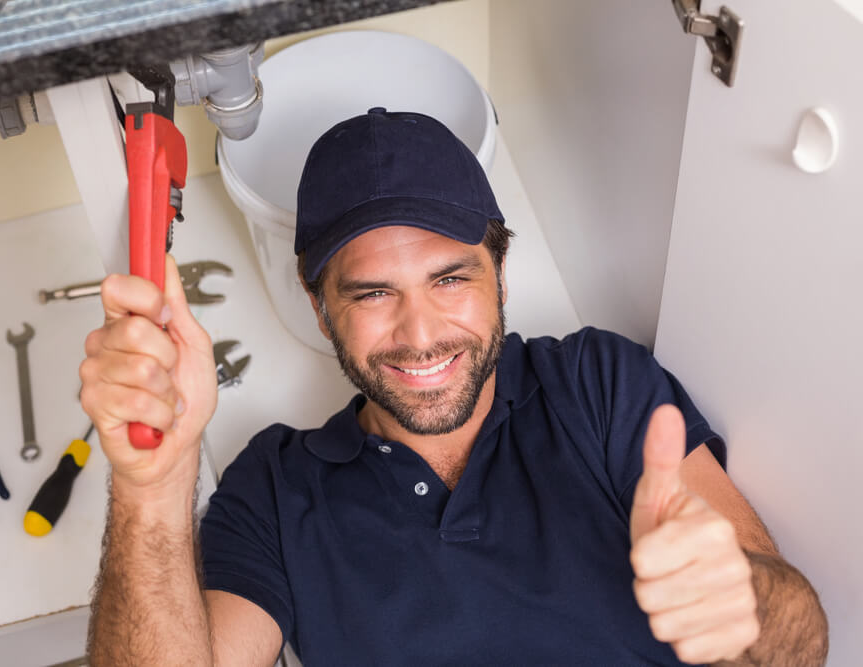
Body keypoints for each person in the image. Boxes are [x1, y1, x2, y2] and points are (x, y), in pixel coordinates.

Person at [80, 107, 827, 665]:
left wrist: (743, 597)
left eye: (450, 278)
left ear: (499, 272)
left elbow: (802, 644)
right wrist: (152, 484)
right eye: (373, 292)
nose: (420, 332)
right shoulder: (275, 490)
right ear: (319, 306)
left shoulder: (598, 386)